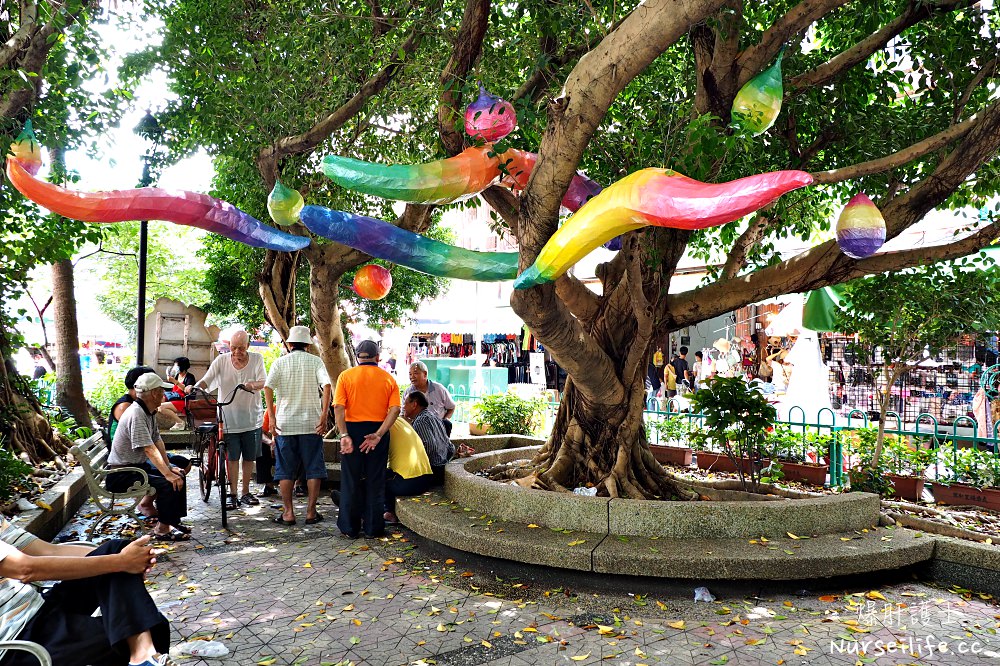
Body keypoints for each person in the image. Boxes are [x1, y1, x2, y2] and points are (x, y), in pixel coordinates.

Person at [0, 520, 174, 666]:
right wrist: (121, 562)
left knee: (116, 547)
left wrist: (130, 558)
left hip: (39, 606)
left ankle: (143, 656)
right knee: (154, 627)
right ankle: (143, 657)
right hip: (17, 639)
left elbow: (50, 551)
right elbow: (25, 569)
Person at [107, 372, 190, 542]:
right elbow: (149, 449)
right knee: (168, 482)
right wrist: (167, 474)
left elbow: (157, 441)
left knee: (178, 473)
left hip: (136, 468)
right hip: (122, 474)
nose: (164, 395)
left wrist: (169, 467)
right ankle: (162, 530)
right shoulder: (136, 413)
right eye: (161, 391)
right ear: (153, 394)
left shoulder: (148, 412)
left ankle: (172, 521)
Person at [188, 330, 266, 509]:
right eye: (233, 348)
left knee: (248, 457)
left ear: (248, 346)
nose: (237, 352)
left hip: (251, 417)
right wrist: (195, 387)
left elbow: (264, 382)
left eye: (241, 348)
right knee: (232, 457)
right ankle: (232, 494)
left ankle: (246, 492)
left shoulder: (256, 359)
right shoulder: (222, 360)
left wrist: (251, 385)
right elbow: (207, 380)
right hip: (228, 418)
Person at [264, 325, 331, 526]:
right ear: (308, 346)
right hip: (311, 424)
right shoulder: (315, 361)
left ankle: (288, 513)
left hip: (285, 425)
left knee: (285, 469)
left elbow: (267, 387)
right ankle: (311, 512)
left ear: (290, 344)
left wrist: (272, 417)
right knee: (313, 468)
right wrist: (324, 414)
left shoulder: (280, 363)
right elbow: (327, 385)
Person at [334, 340, 401, 538]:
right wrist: (379, 434)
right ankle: (373, 527)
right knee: (375, 479)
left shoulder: (346, 376)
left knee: (350, 480)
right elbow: (396, 409)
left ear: (357, 356)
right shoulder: (388, 378)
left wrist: (344, 434)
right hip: (377, 432)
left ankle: (349, 527)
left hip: (352, 431)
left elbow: (338, 407)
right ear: (377, 358)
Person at [404, 390, 454, 482]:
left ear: (414, 405)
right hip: (443, 466)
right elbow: (450, 447)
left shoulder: (420, 421)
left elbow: (429, 446)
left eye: (405, 404)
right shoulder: (434, 417)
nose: (403, 407)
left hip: (434, 470)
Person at [405, 361, 455, 435]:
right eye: (410, 374)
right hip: (418, 430)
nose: (412, 377)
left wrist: (444, 421)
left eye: (415, 373)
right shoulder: (408, 393)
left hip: (438, 429)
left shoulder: (439, 389)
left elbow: (451, 407)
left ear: (425, 374)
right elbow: (403, 414)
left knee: (447, 424)